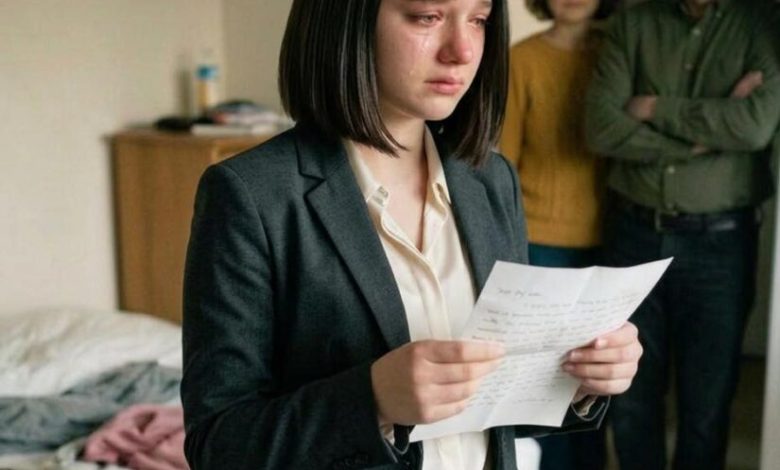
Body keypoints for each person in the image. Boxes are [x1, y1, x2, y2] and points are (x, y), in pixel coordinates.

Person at [180, 0, 643, 469]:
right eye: (427, 16)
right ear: (348, 20)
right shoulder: (252, 195)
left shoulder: (490, 179)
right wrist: (374, 401)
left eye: (479, 21)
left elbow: (497, 406)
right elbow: (217, 444)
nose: (463, 51)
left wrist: (580, 377)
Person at [585, 0, 780, 468]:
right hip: (633, 234)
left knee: (707, 401)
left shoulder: (763, 22)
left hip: (721, 243)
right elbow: (601, 127)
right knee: (630, 396)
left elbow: (754, 126)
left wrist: (654, 108)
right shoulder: (633, 22)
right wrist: (703, 140)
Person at [500, 0, 617, 467]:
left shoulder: (618, 55)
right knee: (547, 382)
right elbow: (501, 164)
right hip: (539, 242)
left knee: (597, 382)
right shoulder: (521, 59)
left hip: (613, 240)